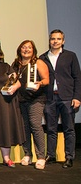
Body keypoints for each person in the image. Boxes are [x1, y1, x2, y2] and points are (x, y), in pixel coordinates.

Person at [39, 29, 81, 168]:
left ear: (63, 41)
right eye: (52, 39)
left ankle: (69, 156)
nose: (55, 41)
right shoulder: (42, 58)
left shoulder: (70, 56)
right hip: (50, 98)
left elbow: (77, 78)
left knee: (69, 129)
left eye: (58, 39)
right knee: (51, 129)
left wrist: (77, 97)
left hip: (67, 98)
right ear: (49, 40)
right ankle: (51, 155)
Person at [12, 40, 49, 170]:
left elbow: (46, 80)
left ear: (33, 50)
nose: (26, 49)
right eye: (23, 47)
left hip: (36, 99)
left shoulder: (38, 62)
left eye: (29, 47)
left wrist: (39, 84)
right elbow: (13, 80)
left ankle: (40, 157)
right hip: (21, 100)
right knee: (25, 127)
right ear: (19, 49)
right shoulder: (16, 64)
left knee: (35, 125)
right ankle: (27, 154)